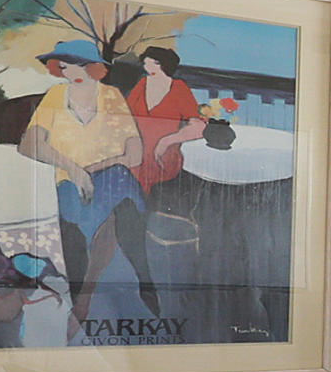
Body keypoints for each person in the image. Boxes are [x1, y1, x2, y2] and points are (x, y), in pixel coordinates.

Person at [18, 39, 157, 327]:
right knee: (74, 222)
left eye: (82, 64)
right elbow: (29, 144)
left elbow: (133, 154)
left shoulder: (112, 97)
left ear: (95, 67)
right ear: (59, 68)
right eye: (67, 65)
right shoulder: (56, 96)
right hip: (67, 178)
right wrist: (74, 170)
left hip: (110, 175)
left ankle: (144, 280)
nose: (75, 71)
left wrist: (92, 168)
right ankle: (80, 297)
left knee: (125, 207)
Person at [124, 46, 205, 191]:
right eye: (146, 64)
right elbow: (125, 115)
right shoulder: (142, 84)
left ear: (165, 65)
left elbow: (198, 127)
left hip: (163, 154)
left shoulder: (178, 88)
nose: (149, 68)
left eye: (155, 63)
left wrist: (166, 141)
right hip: (135, 147)